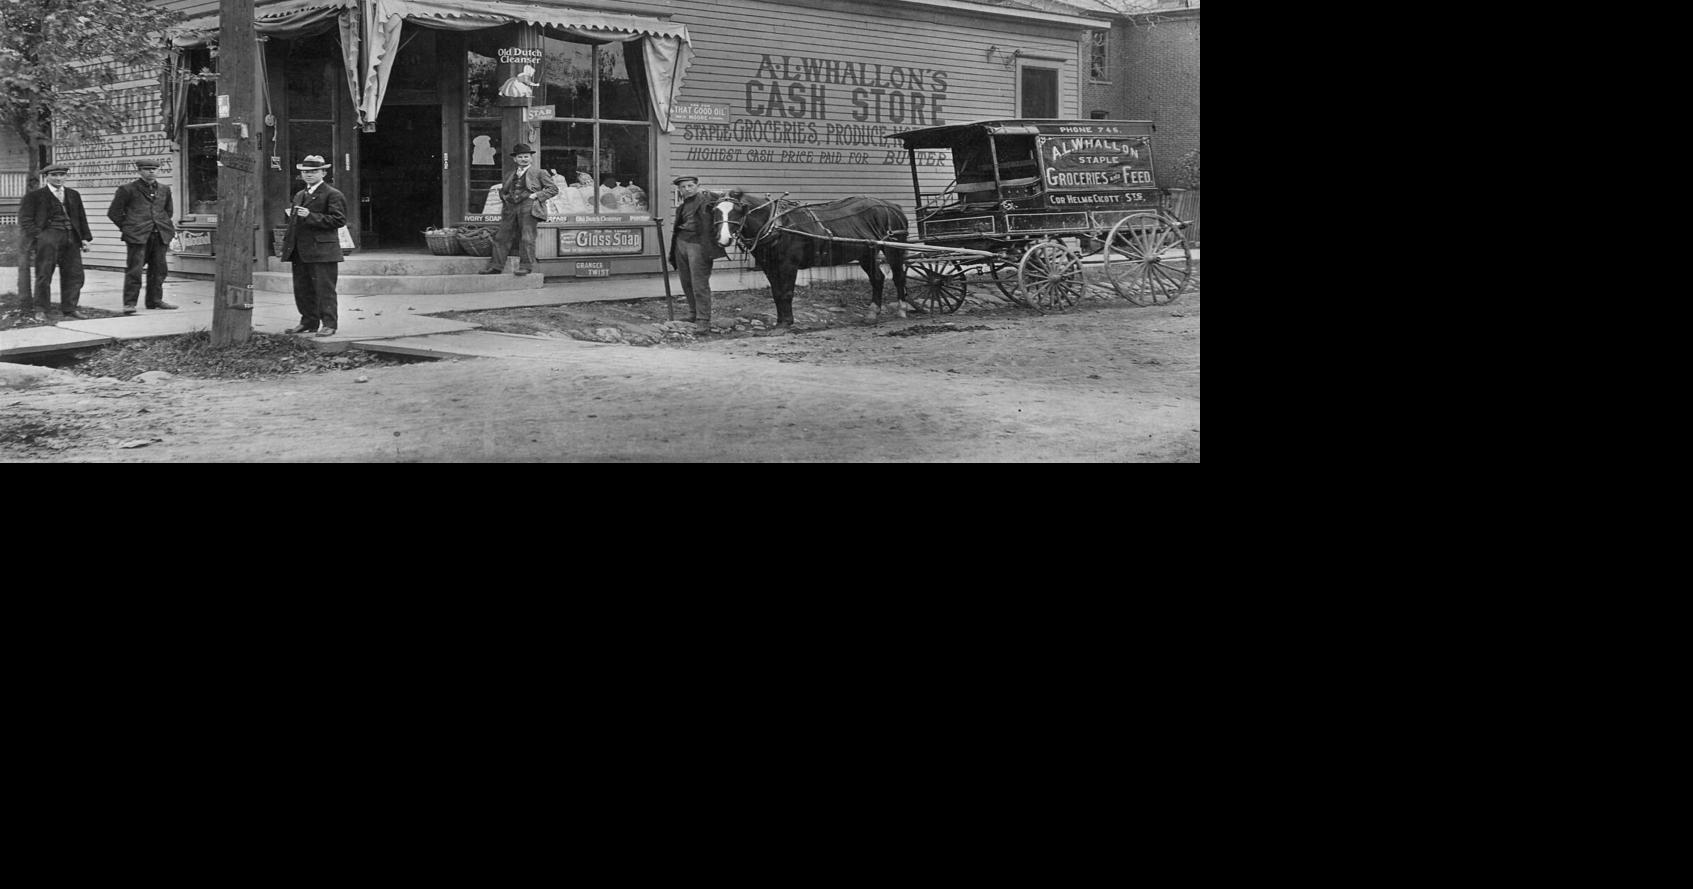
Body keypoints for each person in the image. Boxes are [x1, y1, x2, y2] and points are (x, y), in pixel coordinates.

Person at [280, 155, 349, 337]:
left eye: (313, 171)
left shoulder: (333, 194)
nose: (308, 175)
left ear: (323, 173)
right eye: (305, 172)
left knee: (324, 289)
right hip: (300, 251)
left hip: (322, 251)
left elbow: (339, 220)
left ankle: (329, 324)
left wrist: (310, 215)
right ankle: (308, 322)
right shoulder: (300, 195)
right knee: (302, 289)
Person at [17, 162, 94, 322]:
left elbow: (81, 218)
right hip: (48, 239)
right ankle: (41, 309)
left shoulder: (73, 194)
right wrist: (40, 236)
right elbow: (25, 219)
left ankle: (70, 308)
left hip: (71, 238)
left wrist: (85, 238)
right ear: (47, 177)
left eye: (62, 175)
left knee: (74, 275)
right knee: (44, 274)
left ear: (66, 176)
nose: (59, 178)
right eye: (54, 175)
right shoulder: (35, 196)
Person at [106, 158, 179, 315]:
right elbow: (114, 213)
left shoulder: (165, 189)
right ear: (139, 171)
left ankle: (155, 300)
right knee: (135, 270)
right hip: (137, 236)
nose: (151, 172)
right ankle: (130, 303)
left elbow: (168, 211)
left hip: (160, 235)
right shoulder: (127, 189)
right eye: (147, 169)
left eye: (154, 169)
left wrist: (163, 226)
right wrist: (129, 228)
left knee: (159, 269)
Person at [480, 143, 557, 276]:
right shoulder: (510, 174)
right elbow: (504, 190)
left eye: (526, 156)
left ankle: (526, 267)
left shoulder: (539, 172)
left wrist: (536, 195)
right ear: (515, 159)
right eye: (520, 157)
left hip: (529, 206)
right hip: (511, 207)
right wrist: (506, 198)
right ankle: (496, 267)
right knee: (502, 237)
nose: (524, 159)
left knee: (527, 237)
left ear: (531, 158)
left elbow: (553, 189)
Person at [667, 175, 727, 334]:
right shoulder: (682, 205)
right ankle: (693, 314)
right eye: (683, 187)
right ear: (679, 189)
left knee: (699, 283)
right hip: (681, 243)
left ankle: (703, 320)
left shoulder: (707, 201)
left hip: (698, 245)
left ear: (697, 186)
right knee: (686, 281)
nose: (687, 189)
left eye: (690, 186)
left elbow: (726, 202)